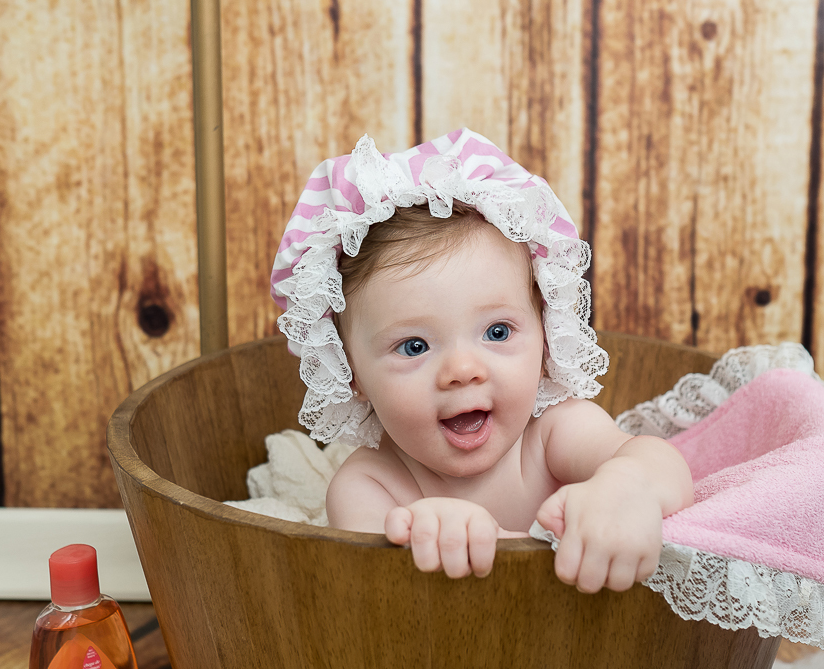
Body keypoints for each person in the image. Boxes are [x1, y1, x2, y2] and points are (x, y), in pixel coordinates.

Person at [271, 129, 693, 593]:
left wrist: (626, 484)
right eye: (414, 346)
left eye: (497, 332)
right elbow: (381, 604)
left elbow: (665, 469)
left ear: (546, 334)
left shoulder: (553, 433)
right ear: (350, 373)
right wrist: (426, 529)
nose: (463, 371)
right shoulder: (369, 486)